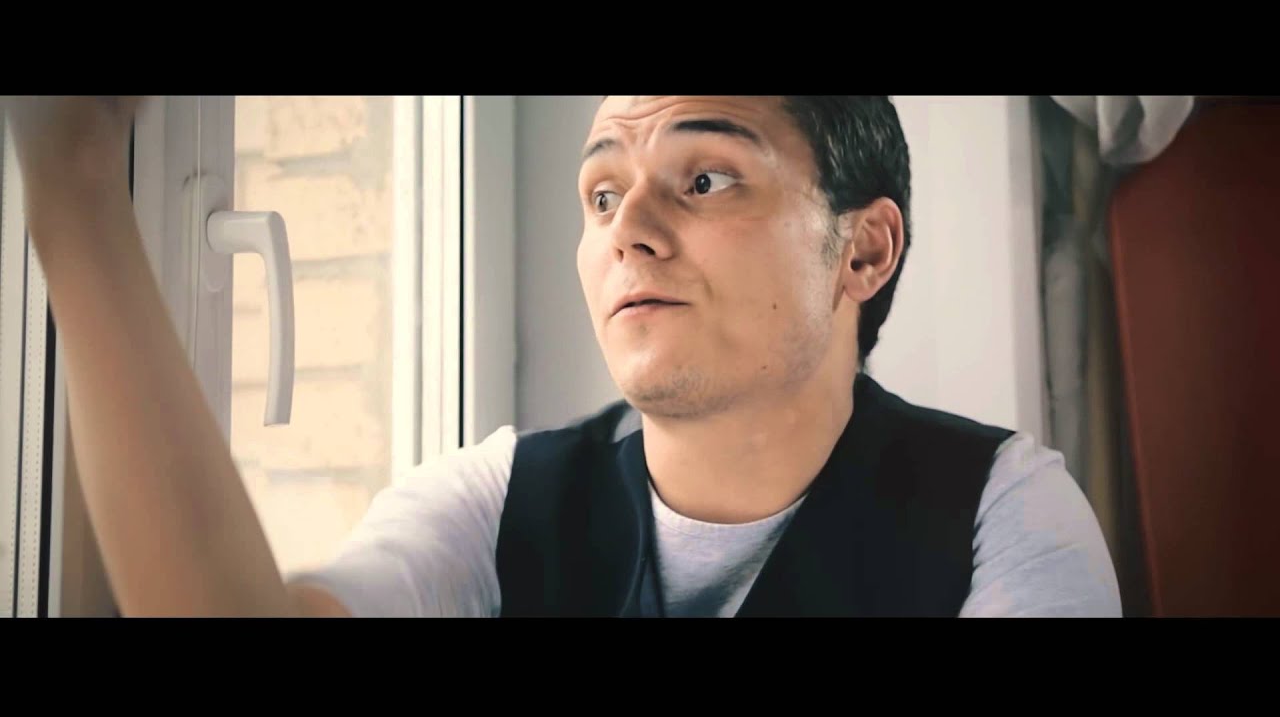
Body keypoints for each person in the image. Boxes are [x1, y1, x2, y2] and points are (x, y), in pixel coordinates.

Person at [4, 95, 1121, 617]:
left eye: (703, 178)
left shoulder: (1005, 513)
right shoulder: (490, 501)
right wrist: (73, 183)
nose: (627, 227)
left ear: (862, 250)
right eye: (600, 193)